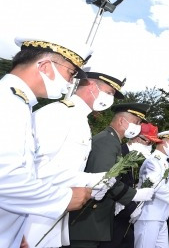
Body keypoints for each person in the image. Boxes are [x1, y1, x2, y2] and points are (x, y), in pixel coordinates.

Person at [0, 37, 93, 248]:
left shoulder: (19, 103)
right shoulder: (8, 103)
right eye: (70, 73)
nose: (70, 83)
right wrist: (63, 198)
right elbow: (4, 178)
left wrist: (14, 234)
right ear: (44, 66)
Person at [26, 69, 126, 248]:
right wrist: (90, 180)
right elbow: (34, 168)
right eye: (109, 93)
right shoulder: (59, 113)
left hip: (52, 213)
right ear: (92, 86)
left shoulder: (80, 119)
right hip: (32, 216)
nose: (110, 99)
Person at [69, 103, 156, 248]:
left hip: (94, 220)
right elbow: (104, 179)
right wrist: (134, 195)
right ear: (122, 121)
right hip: (87, 221)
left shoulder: (112, 141)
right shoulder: (107, 142)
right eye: (137, 122)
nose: (139, 127)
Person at [104, 122, 161, 248]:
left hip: (125, 216)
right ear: (136, 137)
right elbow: (113, 184)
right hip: (112, 216)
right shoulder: (120, 153)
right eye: (148, 142)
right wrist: (131, 206)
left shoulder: (133, 157)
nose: (150, 146)